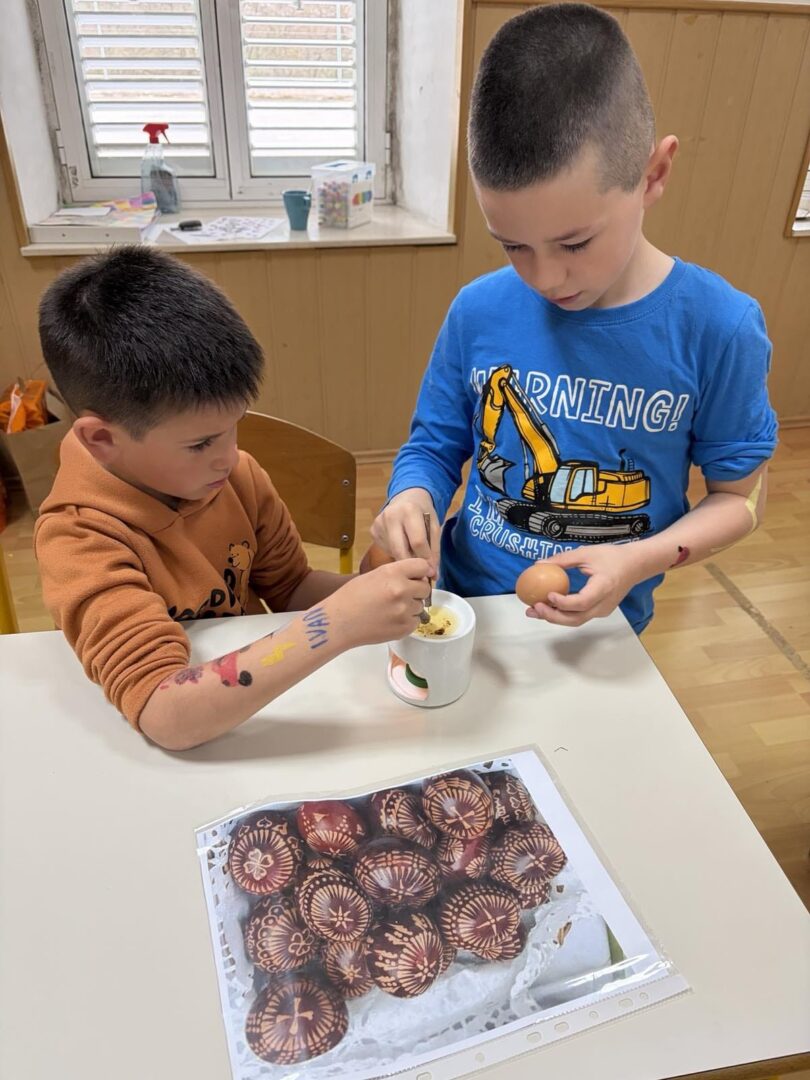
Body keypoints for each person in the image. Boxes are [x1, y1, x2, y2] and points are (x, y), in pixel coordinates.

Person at [372, 2, 776, 633]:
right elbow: (434, 445)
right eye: (512, 245)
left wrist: (639, 558)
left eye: (576, 243)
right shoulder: (477, 309)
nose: (545, 278)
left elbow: (739, 499)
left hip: (601, 631)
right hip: (462, 608)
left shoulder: (719, 328)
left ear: (654, 174)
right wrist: (412, 493)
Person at [34, 247, 432, 750]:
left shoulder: (235, 478)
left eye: (233, 427)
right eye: (200, 444)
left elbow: (291, 587)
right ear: (101, 440)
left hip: (251, 719)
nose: (229, 457)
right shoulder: (78, 539)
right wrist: (335, 623)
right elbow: (163, 714)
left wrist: (373, 583)